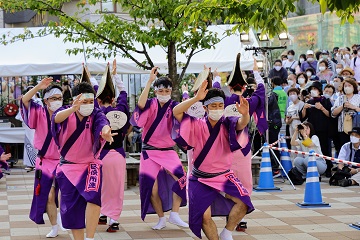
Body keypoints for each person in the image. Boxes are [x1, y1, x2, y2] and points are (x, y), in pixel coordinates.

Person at [172, 82, 254, 240]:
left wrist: (245, 115)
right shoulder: (196, 124)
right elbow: (176, 111)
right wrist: (196, 98)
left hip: (224, 175)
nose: (217, 109)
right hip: (200, 178)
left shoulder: (228, 123)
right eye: (213, 106)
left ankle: (227, 232)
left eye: (220, 106)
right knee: (204, 216)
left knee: (244, 203)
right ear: (205, 108)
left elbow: (241, 124)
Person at [52, 82, 115, 240]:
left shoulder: (96, 114)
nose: (88, 105)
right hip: (67, 167)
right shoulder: (64, 111)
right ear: (75, 99)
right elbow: (56, 119)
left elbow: (103, 124)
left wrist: (106, 132)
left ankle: (90, 238)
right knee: (71, 208)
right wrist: (73, 109)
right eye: (84, 101)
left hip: (90, 165)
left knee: (93, 198)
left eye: (90, 101)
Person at [129, 67, 188, 230]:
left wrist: (186, 94)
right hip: (149, 152)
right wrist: (149, 81)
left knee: (182, 179)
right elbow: (140, 105)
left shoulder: (174, 106)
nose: (164, 93)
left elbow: (186, 110)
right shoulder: (150, 104)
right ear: (155, 92)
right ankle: (161, 217)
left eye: (167, 90)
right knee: (151, 187)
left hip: (169, 151)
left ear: (171, 91)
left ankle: (175, 214)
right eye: (160, 90)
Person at [225, 57, 267, 231]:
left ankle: (230, 216)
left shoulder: (221, 102)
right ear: (244, 87)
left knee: (226, 184)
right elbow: (262, 91)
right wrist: (256, 73)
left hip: (224, 150)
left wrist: (210, 76)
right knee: (244, 185)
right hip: (242, 150)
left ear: (229, 87)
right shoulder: (248, 102)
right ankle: (238, 219)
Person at [20, 78, 64, 238]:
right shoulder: (38, 112)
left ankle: (63, 218)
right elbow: (25, 100)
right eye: (54, 98)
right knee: (48, 195)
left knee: (64, 194)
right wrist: (39, 86)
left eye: (60, 98)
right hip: (45, 161)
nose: (57, 102)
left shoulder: (66, 114)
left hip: (64, 162)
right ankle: (54, 226)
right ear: (46, 100)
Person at [95, 61, 130, 232]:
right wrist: (115, 76)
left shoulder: (97, 113)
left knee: (101, 186)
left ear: (99, 99)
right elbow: (124, 94)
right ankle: (113, 219)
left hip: (101, 156)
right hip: (118, 154)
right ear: (113, 99)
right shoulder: (121, 109)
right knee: (116, 187)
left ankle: (102, 214)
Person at [301, 81, 332, 176]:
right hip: (312, 129)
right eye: (311, 89)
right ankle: (313, 166)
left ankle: (327, 168)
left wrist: (322, 108)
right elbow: (303, 117)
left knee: (325, 148)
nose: (313, 91)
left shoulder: (325, 101)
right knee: (312, 147)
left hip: (324, 129)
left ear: (319, 90)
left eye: (315, 89)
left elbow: (330, 114)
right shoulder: (309, 102)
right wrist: (304, 108)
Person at [16, 86, 42, 171]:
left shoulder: (39, 101)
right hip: (28, 127)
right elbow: (22, 113)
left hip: (37, 126)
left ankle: (37, 163)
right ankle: (29, 163)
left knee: (36, 144)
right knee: (29, 144)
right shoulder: (25, 101)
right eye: (29, 91)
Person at [331, 79, 360, 148]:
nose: (347, 87)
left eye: (349, 85)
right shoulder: (339, 98)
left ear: (353, 87)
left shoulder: (358, 98)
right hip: (342, 128)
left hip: (356, 128)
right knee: (345, 147)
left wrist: (353, 107)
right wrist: (342, 106)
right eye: (345, 86)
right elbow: (333, 113)